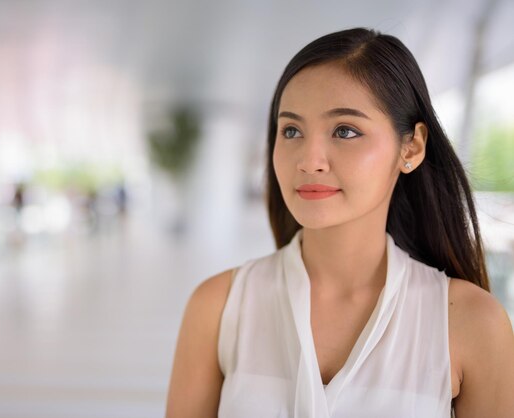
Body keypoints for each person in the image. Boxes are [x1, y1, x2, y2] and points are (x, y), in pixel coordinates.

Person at [165, 27, 514, 417]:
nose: (309, 160)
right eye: (291, 130)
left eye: (345, 130)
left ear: (411, 147)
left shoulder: (472, 324)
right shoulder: (218, 307)